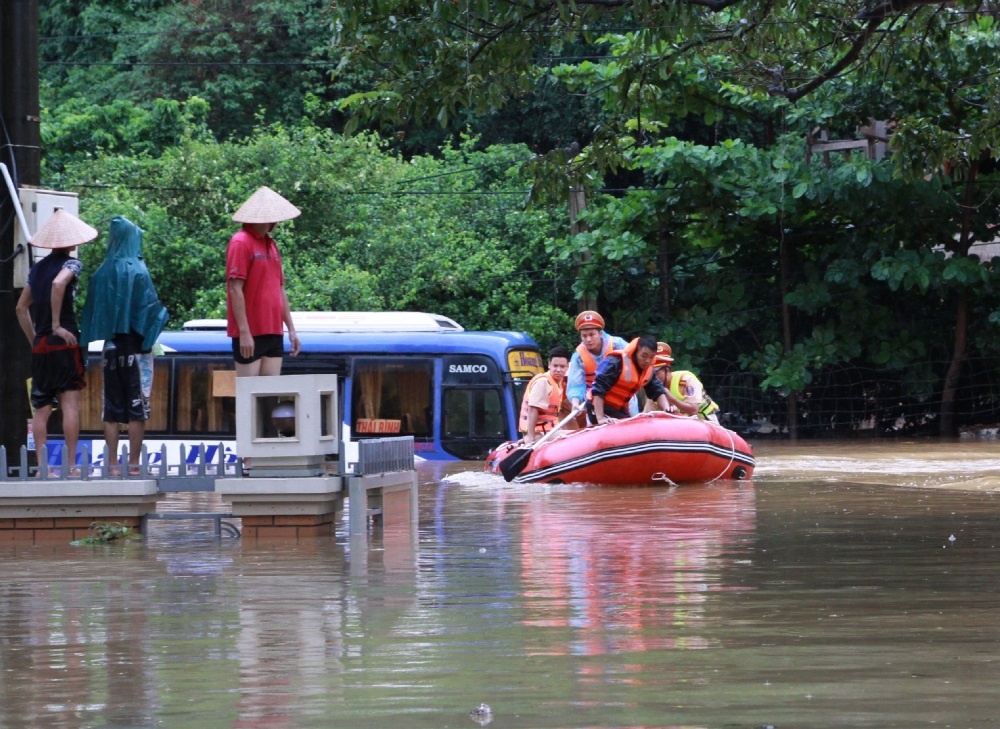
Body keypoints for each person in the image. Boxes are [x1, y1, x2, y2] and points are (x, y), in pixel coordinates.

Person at [80, 216, 170, 475]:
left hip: (110, 349)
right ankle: (133, 463)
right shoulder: (139, 271)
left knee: (111, 408)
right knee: (136, 408)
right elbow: (151, 310)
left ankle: (111, 464)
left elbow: (92, 314)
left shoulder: (101, 273)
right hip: (136, 349)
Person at [15, 209, 98, 476]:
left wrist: (35, 339)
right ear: (71, 241)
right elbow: (59, 285)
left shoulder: (36, 268)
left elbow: (20, 308)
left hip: (40, 345)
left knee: (41, 408)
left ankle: (42, 468)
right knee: (70, 405)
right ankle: (72, 465)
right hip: (65, 340)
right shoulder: (72, 264)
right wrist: (56, 325)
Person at [226, 186, 301, 377]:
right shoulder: (241, 242)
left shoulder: (271, 245)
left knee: (270, 396)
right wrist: (244, 332)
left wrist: (291, 330)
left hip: (274, 331)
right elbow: (235, 289)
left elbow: (280, 289)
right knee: (249, 397)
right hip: (251, 332)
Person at [565, 310, 636, 423]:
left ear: (600, 333)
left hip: (623, 396)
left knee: (633, 423)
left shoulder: (617, 344)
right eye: (584, 336)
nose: (588, 339)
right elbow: (575, 384)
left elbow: (636, 363)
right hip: (595, 400)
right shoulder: (578, 356)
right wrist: (575, 403)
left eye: (592, 334)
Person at [589, 334, 671, 424]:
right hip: (598, 408)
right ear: (636, 352)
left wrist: (667, 410)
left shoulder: (648, 370)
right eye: (644, 356)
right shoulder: (617, 361)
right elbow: (598, 388)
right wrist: (600, 418)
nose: (647, 360)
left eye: (651, 357)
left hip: (618, 410)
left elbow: (657, 390)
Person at [643, 342, 721, 423]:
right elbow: (647, 414)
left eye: (655, 373)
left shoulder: (686, 379)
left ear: (667, 370)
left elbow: (694, 410)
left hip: (705, 419)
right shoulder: (654, 389)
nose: (652, 377)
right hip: (681, 425)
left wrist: (671, 398)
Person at [518, 345, 572, 444]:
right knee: (575, 436)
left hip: (548, 431)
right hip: (539, 434)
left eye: (562, 366)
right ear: (549, 365)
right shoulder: (543, 382)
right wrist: (530, 437)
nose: (558, 370)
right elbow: (532, 409)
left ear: (567, 367)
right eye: (555, 366)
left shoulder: (559, 383)